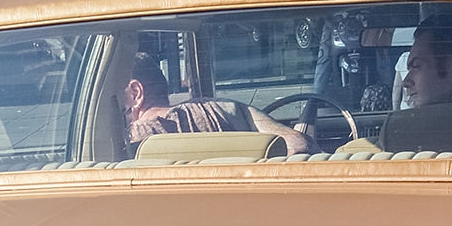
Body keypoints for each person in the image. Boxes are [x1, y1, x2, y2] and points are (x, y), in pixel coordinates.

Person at [124, 52, 315, 155]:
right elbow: (297, 143)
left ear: (136, 92)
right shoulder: (218, 109)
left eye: (114, 93)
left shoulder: (121, 146)